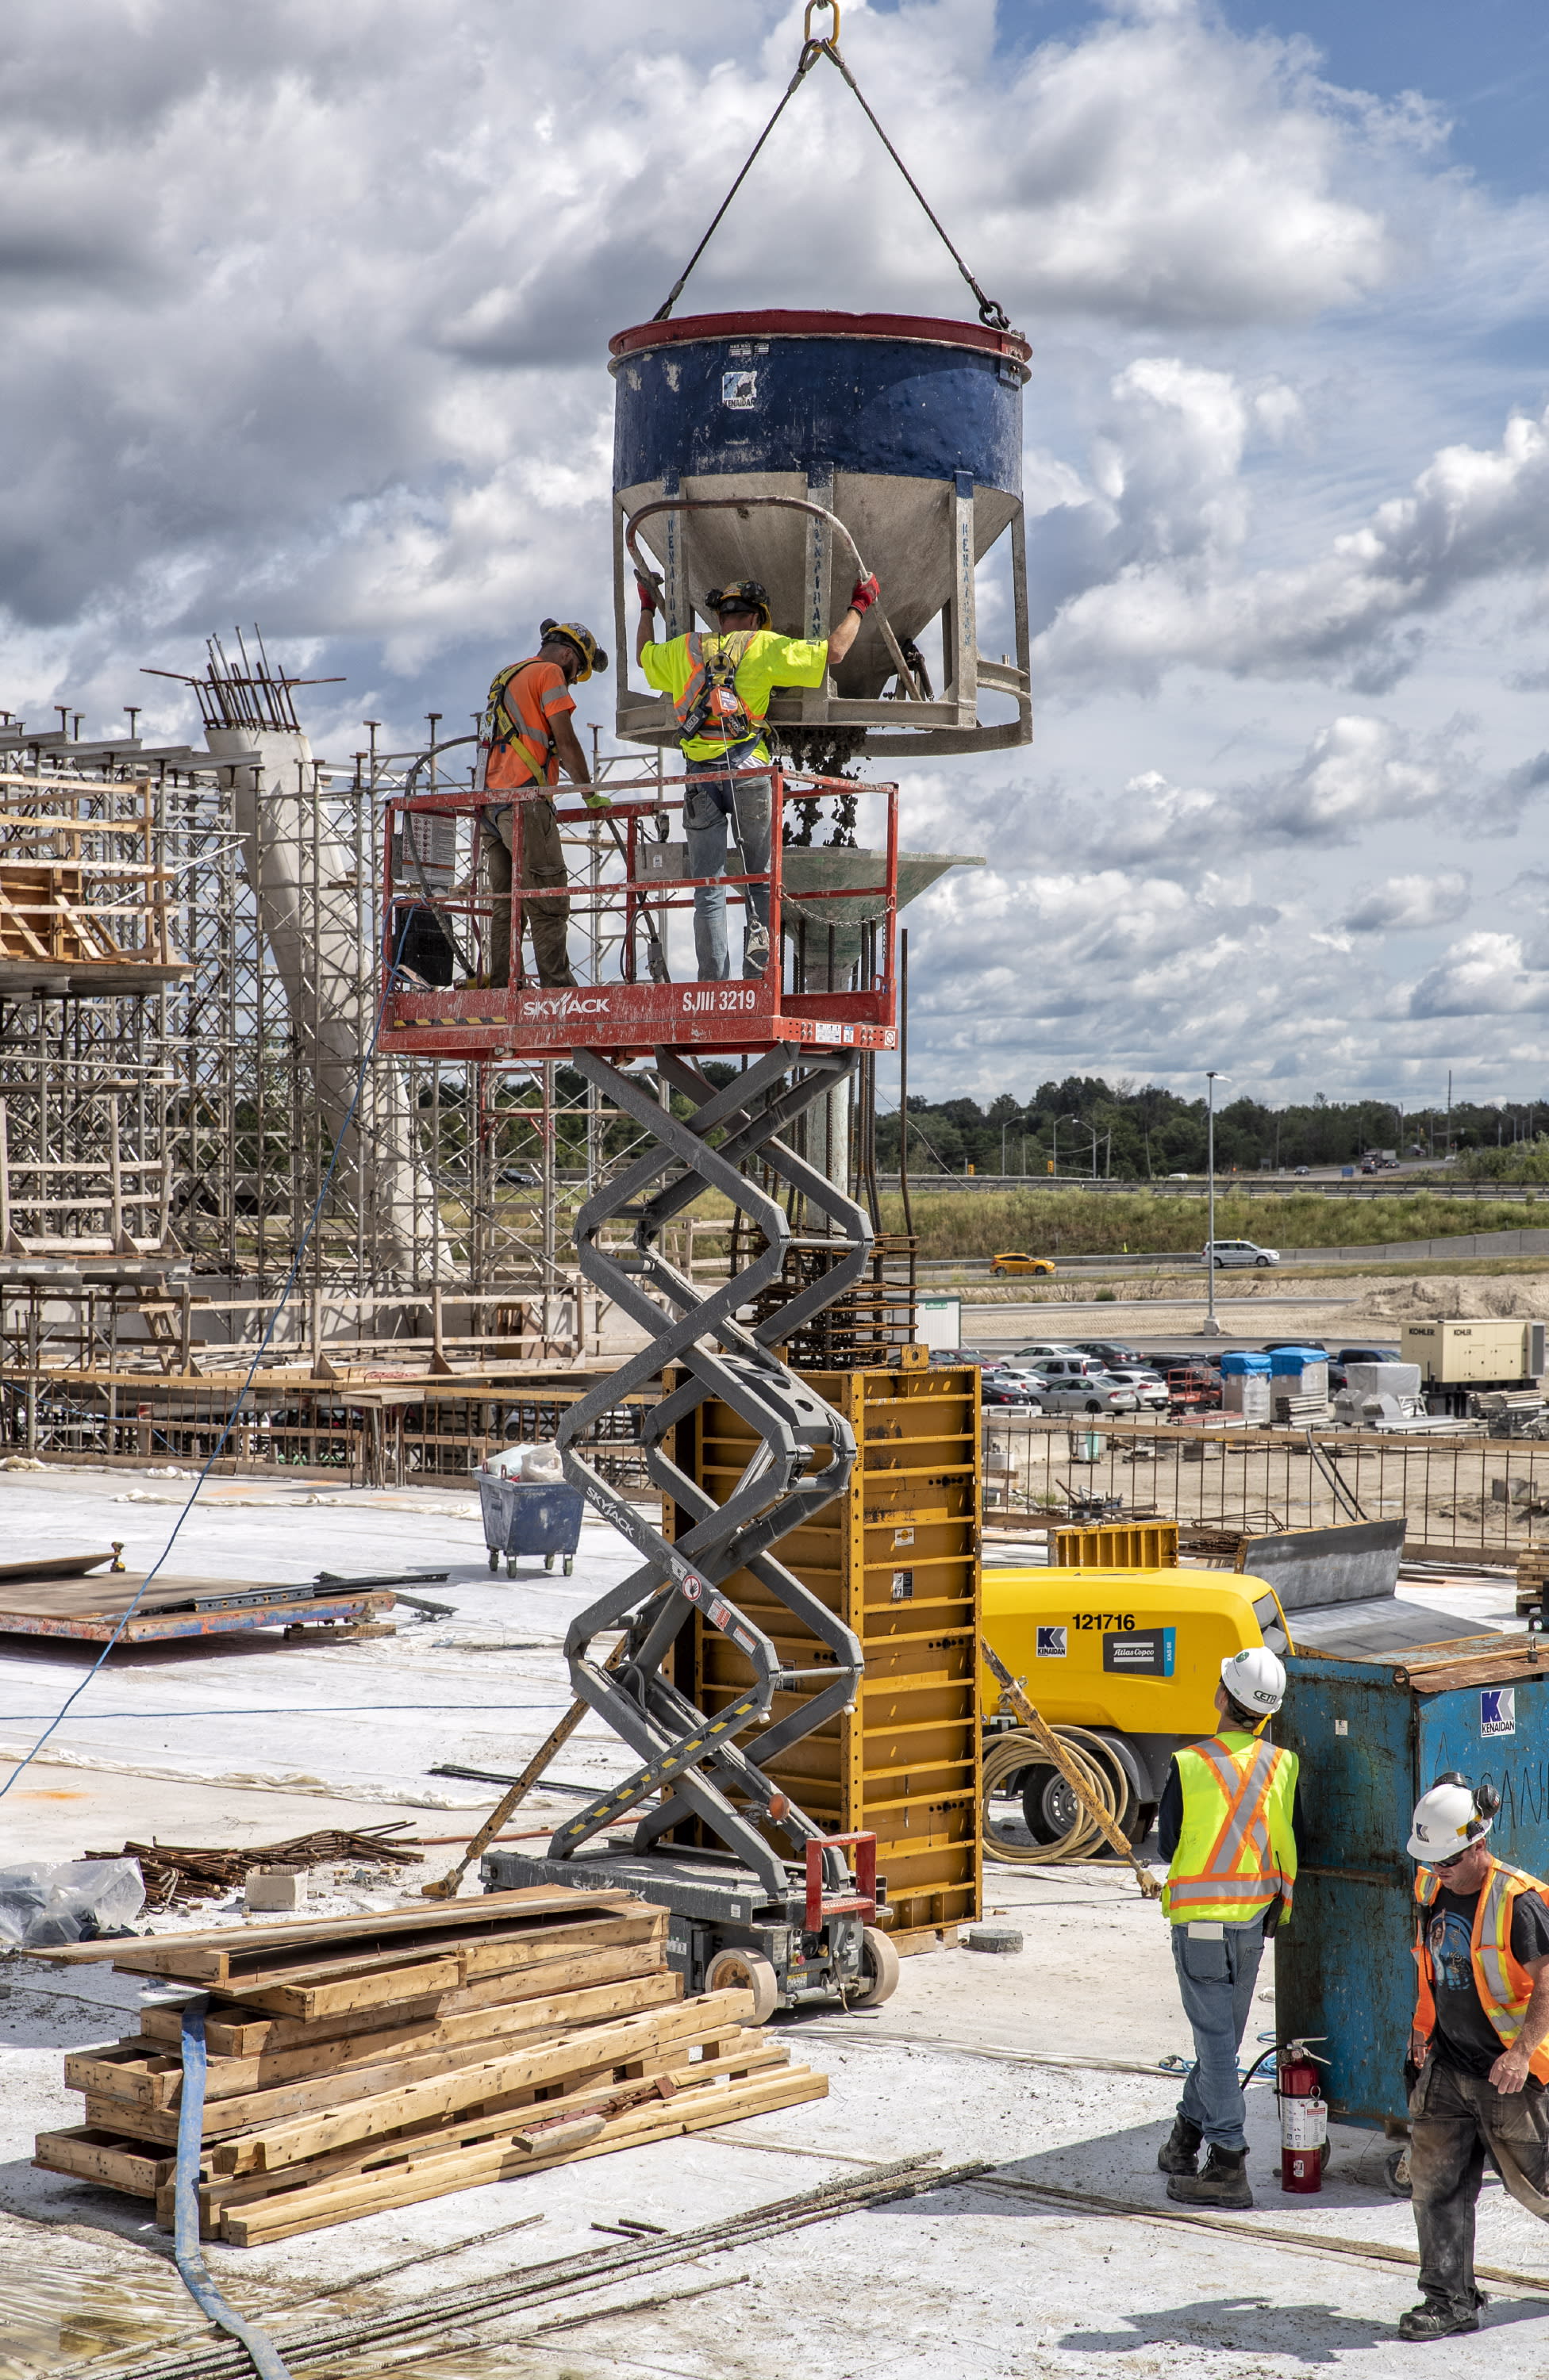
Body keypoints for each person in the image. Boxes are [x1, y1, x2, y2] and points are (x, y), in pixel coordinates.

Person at [633, 571, 877, 981]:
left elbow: (643, 655)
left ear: (720, 617)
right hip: (748, 770)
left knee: (708, 887)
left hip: (698, 779)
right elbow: (835, 651)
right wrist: (861, 603)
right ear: (755, 619)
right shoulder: (761, 646)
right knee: (759, 881)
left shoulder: (684, 649)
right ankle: (757, 982)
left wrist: (646, 606)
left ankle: (713, 985)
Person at [1401, 1774, 1549, 2342]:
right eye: (1432, 1862)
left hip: (1509, 2075)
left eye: (1447, 1862)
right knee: (1434, 2185)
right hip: (1448, 2064)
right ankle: (1448, 2300)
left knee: (1536, 2187)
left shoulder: (1518, 1900)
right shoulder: (1430, 1888)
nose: (1438, 1872)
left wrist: (1521, 2051)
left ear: (1478, 1843)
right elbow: (1432, 1968)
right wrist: (1420, 2033)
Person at [1155, 1645, 1299, 2209]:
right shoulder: (1282, 1764)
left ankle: (1229, 2162)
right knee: (1220, 2041)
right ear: (1266, 1712)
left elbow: (1167, 1843)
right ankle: (1185, 2137)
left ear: (1223, 1696)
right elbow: (1291, 1840)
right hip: (1253, 1924)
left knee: (1216, 2048)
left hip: (1203, 1930)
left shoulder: (1191, 1764)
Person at [480, 621, 609, 989]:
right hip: (527, 802)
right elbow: (565, 740)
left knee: (506, 904)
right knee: (548, 895)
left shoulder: (507, 674)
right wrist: (589, 792)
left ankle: (501, 985)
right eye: (575, 673)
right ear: (568, 655)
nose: (569, 681)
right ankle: (557, 986)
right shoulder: (549, 672)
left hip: (492, 804)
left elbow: (527, 738)